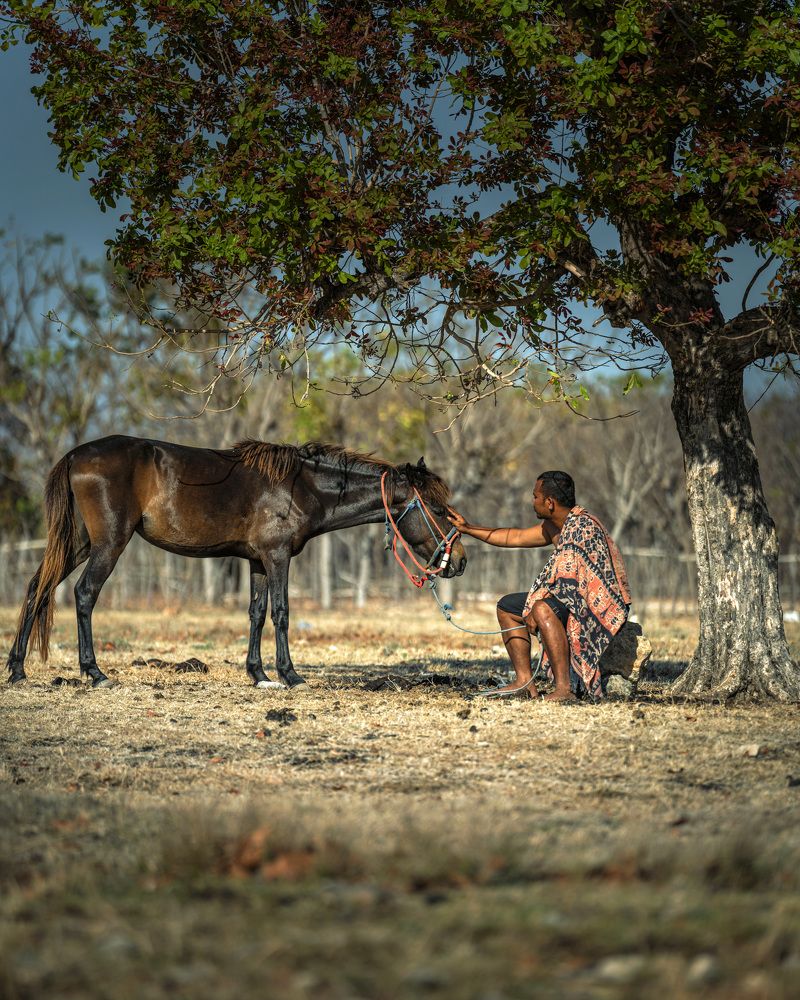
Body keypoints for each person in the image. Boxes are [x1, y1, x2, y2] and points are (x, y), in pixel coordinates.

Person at [446, 471, 631, 701]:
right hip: (566, 599)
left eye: (535, 496)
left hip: (593, 610)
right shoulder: (554, 526)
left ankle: (564, 689)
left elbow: (575, 589)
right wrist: (467, 528)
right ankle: (524, 682)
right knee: (507, 608)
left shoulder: (583, 527)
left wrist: (537, 606)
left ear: (549, 502)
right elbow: (515, 537)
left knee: (542, 609)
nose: (532, 501)